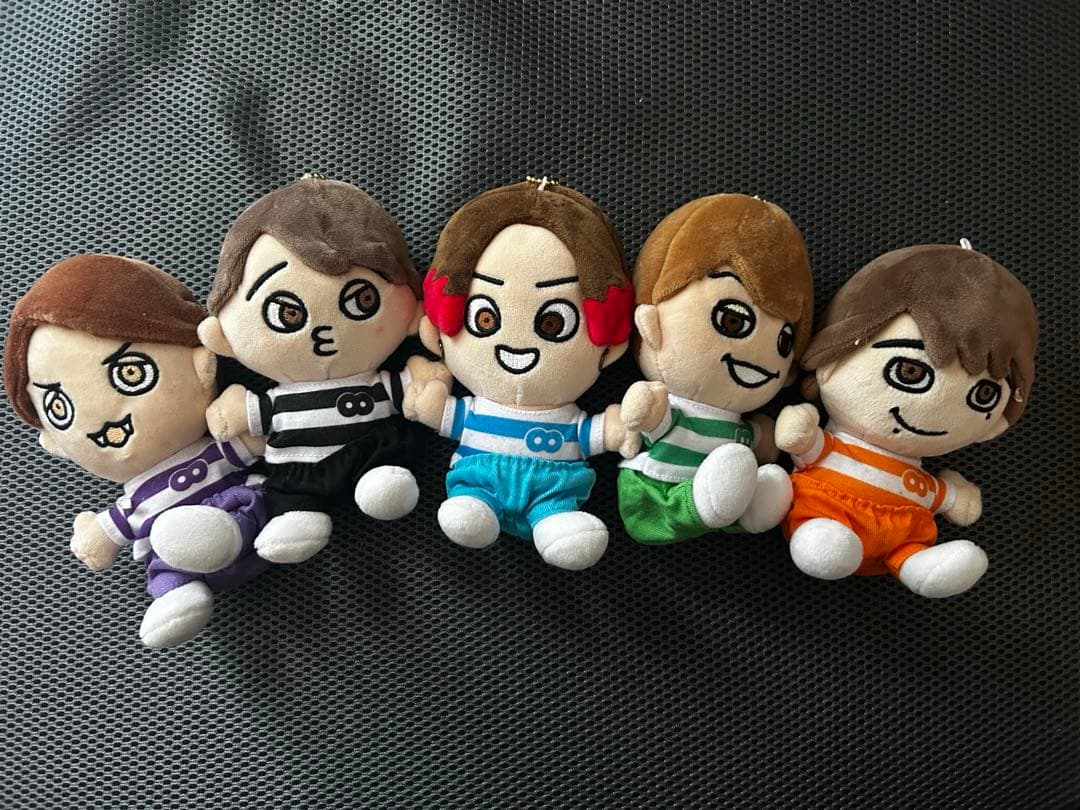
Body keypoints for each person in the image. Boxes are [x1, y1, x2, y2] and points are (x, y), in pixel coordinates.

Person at [4, 254, 269, 647]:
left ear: (202, 366)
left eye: (130, 373)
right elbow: (113, 528)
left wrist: (256, 423)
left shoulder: (212, 452)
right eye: (60, 408)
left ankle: (242, 535)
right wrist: (97, 534)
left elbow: (260, 440)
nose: (102, 419)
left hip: (241, 521)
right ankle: (177, 596)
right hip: (171, 546)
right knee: (162, 560)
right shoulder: (135, 499)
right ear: (54, 442)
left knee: (247, 502)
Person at [775, 242, 1039, 597]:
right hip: (828, 518)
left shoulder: (920, 479)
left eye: (983, 396)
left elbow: (947, 499)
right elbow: (801, 441)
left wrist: (954, 496)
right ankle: (824, 542)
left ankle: (917, 566)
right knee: (825, 539)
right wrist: (801, 433)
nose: (935, 406)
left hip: (901, 536)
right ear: (835, 349)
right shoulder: (835, 448)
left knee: (911, 548)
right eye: (909, 372)